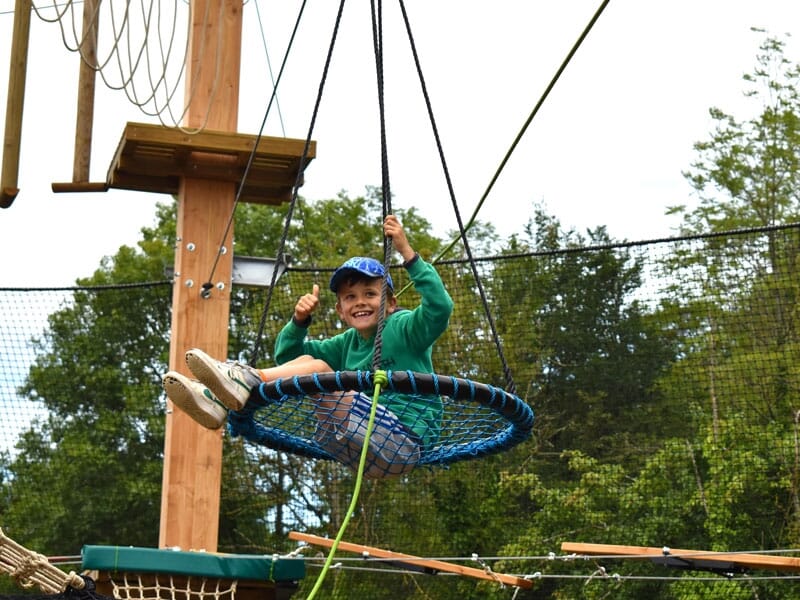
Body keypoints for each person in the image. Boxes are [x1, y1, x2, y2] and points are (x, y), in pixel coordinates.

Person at [162, 214, 454, 477]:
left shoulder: (404, 327)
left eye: (370, 293)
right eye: (350, 297)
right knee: (310, 368)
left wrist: (407, 253)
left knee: (318, 371)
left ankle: (243, 376)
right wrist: (299, 320)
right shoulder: (345, 344)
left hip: (403, 442)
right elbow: (289, 358)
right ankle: (219, 400)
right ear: (340, 310)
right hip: (357, 448)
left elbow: (440, 308)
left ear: (390, 303)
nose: (361, 301)